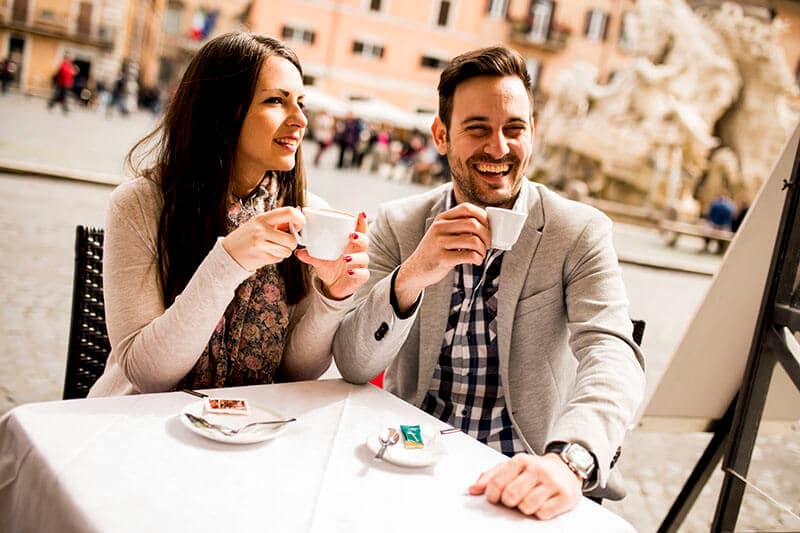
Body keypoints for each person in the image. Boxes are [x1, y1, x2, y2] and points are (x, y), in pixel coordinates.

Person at [333, 47, 645, 520]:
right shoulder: (400, 224)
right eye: (477, 129)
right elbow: (355, 363)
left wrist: (569, 460)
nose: (498, 148)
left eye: (514, 129)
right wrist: (414, 273)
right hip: (409, 458)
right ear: (441, 135)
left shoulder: (578, 230)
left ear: (532, 134)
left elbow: (612, 353)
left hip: (519, 467)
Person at [89, 32, 370, 397]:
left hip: (250, 426)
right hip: (141, 422)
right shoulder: (139, 204)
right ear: (220, 110)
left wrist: (332, 297)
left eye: (301, 102)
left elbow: (298, 370)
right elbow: (148, 375)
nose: (300, 119)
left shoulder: (309, 213)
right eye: (275, 101)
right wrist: (228, 262)